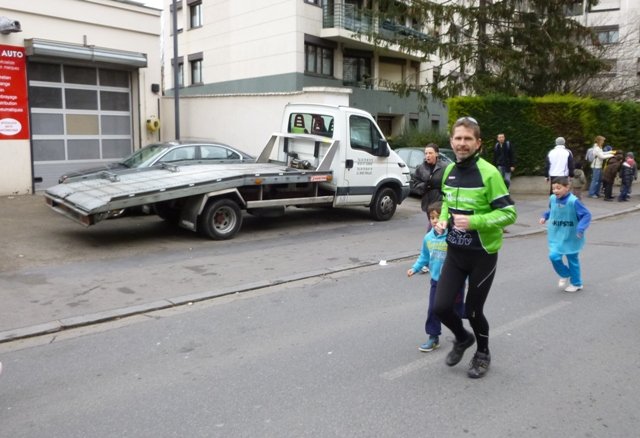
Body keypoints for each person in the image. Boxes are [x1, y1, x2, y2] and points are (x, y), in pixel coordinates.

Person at [433, 116, 517, 379]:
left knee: (472, 310)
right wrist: (444, 218)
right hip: (455, 253)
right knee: (441, 307)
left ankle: (483, 353)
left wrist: (475, 221)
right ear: (451, 142)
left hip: (483, 254)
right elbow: (447, 201)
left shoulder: (490, 173)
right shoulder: (448, 171)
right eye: (458, 138)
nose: (462, 143)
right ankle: (462, 338)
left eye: (468, 139)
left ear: (478, 143)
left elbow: (509, 214)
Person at [407, 202, 464, 353]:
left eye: (438, 217)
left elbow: (462, 259)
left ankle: (461, 334)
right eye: (432, 217)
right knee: (433, 309)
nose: (434, 220)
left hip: (455, 282)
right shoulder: (428, 238)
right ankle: (433, 337)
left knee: (458, 311)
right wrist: (415, 268)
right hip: (436, 281)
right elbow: (424, 256)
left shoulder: (453, 237)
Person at [539, 177, 592, 293]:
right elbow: (551, 210)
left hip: (572, 236)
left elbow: (586, 215)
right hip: (557, 234)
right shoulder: (552, 199)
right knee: (554, 256)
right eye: (553, 188)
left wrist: (580, 228)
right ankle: (565, 273)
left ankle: (577, 283)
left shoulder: (574, 201)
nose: (555, 191)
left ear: (567, 188)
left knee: (572, 259)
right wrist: (544, 216)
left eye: (558, 188)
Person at [410, 143, 448, 273]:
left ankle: (429, 261)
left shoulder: (445, 167)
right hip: (428, 203)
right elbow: (413, 184)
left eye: (430, 153)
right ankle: (435, 258)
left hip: (440, 202)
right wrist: (423, 186)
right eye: (426, 153)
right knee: (435, 230)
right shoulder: (421, 168)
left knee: (434, 229)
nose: (427, 155)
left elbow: (450, 183)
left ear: (436, 154)